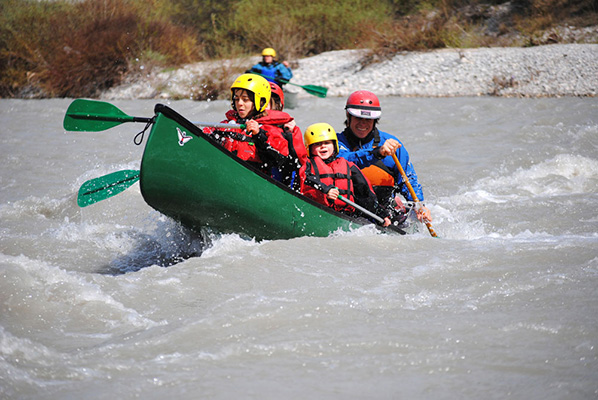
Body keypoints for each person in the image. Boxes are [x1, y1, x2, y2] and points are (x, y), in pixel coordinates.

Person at [336, 90, 432, 222]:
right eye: (358, 118)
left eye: (368, 119)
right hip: (348, 211)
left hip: (384, 215)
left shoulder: (392, 144)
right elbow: (344, 160)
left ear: (375, 119)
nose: (363, 124)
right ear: (348, 115)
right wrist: (377, 153)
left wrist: (419, 205)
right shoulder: (334, 143)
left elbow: (408, 179)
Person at [299, 123, 391, 227]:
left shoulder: (348, 166)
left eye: (327, 142)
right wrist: (326, 189)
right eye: (317, 144)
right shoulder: (306, 165)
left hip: (345, 216)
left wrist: (381, 215)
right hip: (317, 212)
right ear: (309, 148)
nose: (323, 146)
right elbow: (307, 179)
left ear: (334, 145)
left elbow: (365, 194)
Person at [203, 73, 289, 177]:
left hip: (252, 180)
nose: (239, 103)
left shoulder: (270, 130)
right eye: (237, 98)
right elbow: (204, 137)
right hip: (226, 174)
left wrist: (259, 135)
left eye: (245, 99)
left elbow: (280, 161)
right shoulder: (228, 124)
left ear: (260, 102)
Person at [267, 81, 307, 190]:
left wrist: (291, 134)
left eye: (265, 103)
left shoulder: (288, 129)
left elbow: (300, 161)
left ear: (277, 105)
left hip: (279, 181)